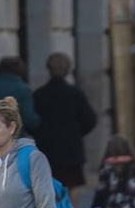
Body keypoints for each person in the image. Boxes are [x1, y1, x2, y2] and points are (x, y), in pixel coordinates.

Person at [33, 52, 98, 197]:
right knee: (71, 187)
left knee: (48, 185)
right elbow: (90, 120)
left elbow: (31, 122)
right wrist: (76, 133)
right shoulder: (75, 93)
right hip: (71, 147)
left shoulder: (39, 94)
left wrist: (40, 134)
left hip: (47, 148)